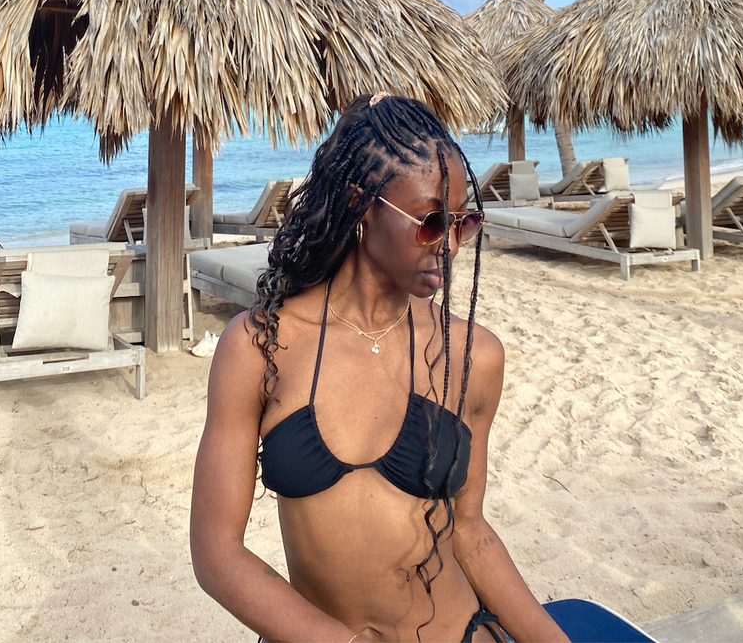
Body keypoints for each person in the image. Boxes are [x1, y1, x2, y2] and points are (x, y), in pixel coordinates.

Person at [191, 94, 569, 643]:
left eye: (465, 224)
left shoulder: (474, 356)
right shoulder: (259, 346)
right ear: (360, 205)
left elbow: (470, 530)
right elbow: (216, 552)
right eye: (432, 221)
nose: (451, 247)